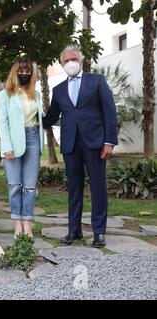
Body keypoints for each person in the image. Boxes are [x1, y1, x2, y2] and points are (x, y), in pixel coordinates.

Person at [42, 45, 118, 248]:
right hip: (70, 145)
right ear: (62, 64)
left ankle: (99, 232)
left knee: (98, 188)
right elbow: (50, 117)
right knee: (74, 189)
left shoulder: (97, 81)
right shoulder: (58, 90)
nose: (70, 63)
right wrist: (29, 117)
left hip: (95, 143)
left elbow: (110, 111)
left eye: (73, 59)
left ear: (81, 61)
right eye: (65, 61)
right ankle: (74, 230)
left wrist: (109, 141)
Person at [0, 58, 44, 239]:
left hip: (33, 139)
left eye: (28, 72)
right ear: (15, 73)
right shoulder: (5, 95)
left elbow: (41, 118)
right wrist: (7, 147)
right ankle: (17, 222)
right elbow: (3, 122)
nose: (24, 74)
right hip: (13, 143)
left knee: (30, 186)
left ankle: (27, 223)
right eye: (21, 71)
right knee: (15, 185)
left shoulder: (36, 94)